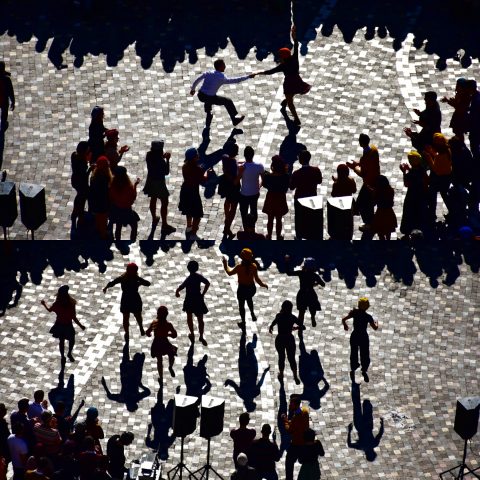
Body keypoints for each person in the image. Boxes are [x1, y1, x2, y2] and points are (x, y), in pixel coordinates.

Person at [256, 25, 311, 126]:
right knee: (291, 95)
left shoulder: (283, 66)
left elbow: (270, 71)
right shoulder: (294, 58)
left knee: (291, 102)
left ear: (283, 57)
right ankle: (285, 101)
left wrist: (258, 73)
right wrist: (294, 36)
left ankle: (297, 119)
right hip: (297, 80)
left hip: (289, 83)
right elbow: (296, 45)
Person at [190, 59, 254, 127]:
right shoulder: (222, 78)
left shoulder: (208, 73)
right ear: (220, 67)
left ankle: (208, 113)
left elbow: (197, 80)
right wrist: (248, 76)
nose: (225, 66)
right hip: (210, 97)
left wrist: (193, 89)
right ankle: (234, 120)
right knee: (228, 101)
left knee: (208, 97)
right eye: (224, 65)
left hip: (201, 95)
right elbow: (236, 80)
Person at [222, 248, 268, 329]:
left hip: (242, 289)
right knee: (249, 299)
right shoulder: (254, 266)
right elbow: (257, 279)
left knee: (241, 306)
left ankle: (243, 322)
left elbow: (229, 273)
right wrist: (263, 285)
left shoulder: (239, 267)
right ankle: (252, 314)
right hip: (251, 288)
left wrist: (225, 264)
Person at [103, 263, 151, 338]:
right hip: (134, 298)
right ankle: (138, 329)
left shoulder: (124, 277)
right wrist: (140, 283)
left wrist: (106, 287)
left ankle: (129, 331)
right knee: (135, 316)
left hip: (126, 299)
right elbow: (148, 283)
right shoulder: (135, 278)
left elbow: (112, 283)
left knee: (128, 317)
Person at [41, 285, 86, 363]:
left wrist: (44, 304)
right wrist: (80, 325)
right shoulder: (71, 304)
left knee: (62, 341)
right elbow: (74, 317)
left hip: (60, 325)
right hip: (68, 325)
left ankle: (63, 356)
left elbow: (49, 310)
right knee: (71, 340)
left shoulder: (57, 304)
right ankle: (68, 354)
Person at [347, 134, 380, 232]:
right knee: (367, 203)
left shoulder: (365, 158)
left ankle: (369, 224)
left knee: (363, 204)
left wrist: (354, 167)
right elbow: (368, 164)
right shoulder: (374, 149)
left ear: (360, 143)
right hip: (375, 180)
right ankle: (371, 222)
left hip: (369, 183)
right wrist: (358, 163)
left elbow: (362, 173)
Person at [342, 297, 378, 383]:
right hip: (363, 337)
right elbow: (375, 328)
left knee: (353, 353)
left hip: (355, 336)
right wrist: (377, 323)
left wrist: (345, 325)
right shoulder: (368, 317)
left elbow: (344, 319)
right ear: (367, 307)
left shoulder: (355, 313)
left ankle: (353, 368)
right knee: (365, 353)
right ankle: (364, 369)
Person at [143, 140, 176, 234]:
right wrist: (167, 159)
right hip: (159, 182)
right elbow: (166, 172)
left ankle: (154, 217)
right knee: (164, 202)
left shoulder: (149, 155)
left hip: (150, 180)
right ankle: (164, 225)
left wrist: (162, 157)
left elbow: (154, 160)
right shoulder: (160, 161)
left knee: (153, 198)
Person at [175, 260, 210, 345]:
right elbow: (207, 283)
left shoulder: (189, 279)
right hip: (198, 299)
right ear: (197, 268)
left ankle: (192, 334)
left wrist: (177, 291)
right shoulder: (198, 277)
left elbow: (182, 286)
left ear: (188, 269)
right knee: (200, 319)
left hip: (189, 300)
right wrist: (203, 294)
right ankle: (201, 336)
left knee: (189, 317)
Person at [290, 150, 323, 239]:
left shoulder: (296, 173)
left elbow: (291, 187)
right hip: (312, 197)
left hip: (300, 198)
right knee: (311, 217)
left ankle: (299, 236)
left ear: (300, 160)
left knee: (299, 218)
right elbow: (319, 181)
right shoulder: (316, 170)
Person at [178, 147, 209, 240]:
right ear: (193, 158)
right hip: (193, 193)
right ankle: (193, 233)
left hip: (185, 191)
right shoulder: (197, 169)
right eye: (196, 156)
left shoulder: (185, 166)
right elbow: (203, 180)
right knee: (197, 214)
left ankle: (189, 227)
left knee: (188, 211)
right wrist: (208, 173)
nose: (198, 156)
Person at [285, 257, 325, 329]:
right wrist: (315, 284)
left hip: (302, 293)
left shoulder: (301, 273)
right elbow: (323, 284)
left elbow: (289, 273)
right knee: (312, 308)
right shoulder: (315, 276)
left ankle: (300, 325)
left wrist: (287, 262)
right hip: (310, 293)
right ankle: (312, 317)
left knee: (301, 312)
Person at [269, 300, 301, 384]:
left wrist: (271, 327)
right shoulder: (292, 317)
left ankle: (281, 374)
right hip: (289, 339)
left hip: (280, 339)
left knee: (281, 357)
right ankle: (295, 376)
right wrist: (295, 328)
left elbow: (274, 322)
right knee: (292, 358)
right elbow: (302, 326)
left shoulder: (279, 316)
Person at [423, 133, 452, 224]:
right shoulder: (447, 150)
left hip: (439, 178)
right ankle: (452, 211)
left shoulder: (440, 156)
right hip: (447, 177)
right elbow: (440, 161)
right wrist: (432, 153)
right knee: (444, 194)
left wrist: (428, 157)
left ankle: (431, 215)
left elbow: (435, 169)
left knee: (433, 195)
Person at [399, 151, 429, 236]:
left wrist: (404, 172)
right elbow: (426, 180)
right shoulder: (422, 169)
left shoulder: (411, 174)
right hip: (421, 195)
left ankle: (408, 230)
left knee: (409, 213)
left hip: (412, 196)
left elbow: (406, 184)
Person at [108, 166, 141, 242]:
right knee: (134, 225)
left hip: (117, 210)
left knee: (118, 227)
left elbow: (111, 198)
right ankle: (133, 240)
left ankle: (118, 241)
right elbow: (132, 198)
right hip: (127, 211)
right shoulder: (128, 187)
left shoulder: (112, 186)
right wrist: (135, 186)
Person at [282, 394, 309, 480]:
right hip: (304, 443)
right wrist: (289, 421)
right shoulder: (304, 411)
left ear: (296, 405)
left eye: (291, 404)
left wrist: (285, 422)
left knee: (289, 462)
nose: (289, 405)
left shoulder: (297, 417)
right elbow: (296, 424)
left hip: (296, 444)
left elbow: (290, 430)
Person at [262, 155, 289, 240]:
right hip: (280, 198)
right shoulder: (285, 177)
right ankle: (278, 236)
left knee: (270, 218)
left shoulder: (268, 176)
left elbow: (265, 185)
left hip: (271, 198)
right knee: (279, 219)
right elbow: (286, 188)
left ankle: (269, 235)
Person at [145, 306, 178, 378]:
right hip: (164, 342)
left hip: (157, 343)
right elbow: (175, 335)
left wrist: (150, 334)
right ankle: (170, 367)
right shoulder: (168, 324)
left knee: (159, 360)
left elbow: (147, 332)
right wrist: (168, 335)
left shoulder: (155, 323)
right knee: (171, 355)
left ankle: (161, 377)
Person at [238, 146, 265, 229]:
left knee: (243, 212)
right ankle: (252, 226)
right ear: (253, 155)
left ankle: (246, 228)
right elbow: (263, 179)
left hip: (244, 193)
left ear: (244, 155)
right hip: (255, 192)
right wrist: (259, 185)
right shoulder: (259, 166)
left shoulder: (241, 167)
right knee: (254, 210)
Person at [88, 156, 112, 239]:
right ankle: (103, 235)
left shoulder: (94, 177)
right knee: (104, 219)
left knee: (98, 216)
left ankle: (98, 229)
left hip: (95, 202)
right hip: (103, 202)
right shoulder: (105, 178)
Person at [220, 142, 241, 240]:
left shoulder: (224, 157)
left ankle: (226, 219)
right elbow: (236, 180)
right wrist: (240, 172)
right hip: (234, 187)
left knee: (227, 201)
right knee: (233, 209)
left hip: (226, 185)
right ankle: (227, 227)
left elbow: (225, 169)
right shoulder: (233, 163)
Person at [70, 141, 92, 228]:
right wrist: (90, 169)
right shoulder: (82, 162)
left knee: (79, 196)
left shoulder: (74, 155)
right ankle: (80, 215)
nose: (89, 152)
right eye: (88, 151)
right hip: (81, 183)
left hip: (75, 180)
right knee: (82, 198)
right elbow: (84, 176)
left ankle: (75, 213)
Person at [370, 175, 397, 240]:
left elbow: (374, 203)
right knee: (388, 231)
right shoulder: (390, 190)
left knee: (380, 231)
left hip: (380, 213)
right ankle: (388, 244)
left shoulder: (377, 192)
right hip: (389, 212)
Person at [0, 61, 15, 132]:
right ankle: (3, 125)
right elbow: (10, 92)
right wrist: (13, 102)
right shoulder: (7, 80)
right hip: (4, 100)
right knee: (4, 113)